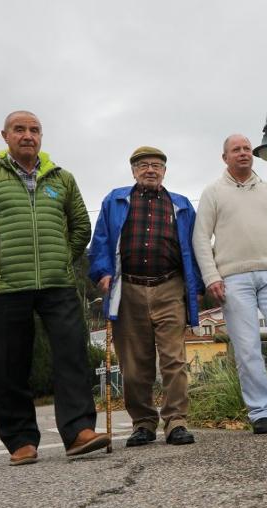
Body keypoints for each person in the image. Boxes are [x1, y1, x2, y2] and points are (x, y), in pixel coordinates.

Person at [0, 110, 110, 466]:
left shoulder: (62, 179)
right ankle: (20, 440)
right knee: (11, 363)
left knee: (72, 355)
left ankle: (79, 432)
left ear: (42, 137)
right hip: (5, 286)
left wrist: (61, 259)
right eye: (19, 129)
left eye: (34, 130)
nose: (28, 135)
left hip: (58, 283)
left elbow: (81, 228)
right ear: (5, 136)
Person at [192, 134, 267, 434]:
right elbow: (200, 238)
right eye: (236, 150)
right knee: (247, 347)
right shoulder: (213, 192)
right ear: (225, 158)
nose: (244, 153)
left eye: (247, 149)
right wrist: (212, 277)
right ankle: (260, 412)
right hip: (233, 279)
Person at [88, 147, 202, 447]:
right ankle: (143, 423)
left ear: (165, 171)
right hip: (129, 290)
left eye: (156, 165)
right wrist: (101, 272)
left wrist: (197, 287)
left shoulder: (182, 205)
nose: (150, 170)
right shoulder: (115, 200)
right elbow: (100, 241)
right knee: (134, 364)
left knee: (173, 359)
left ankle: (176, 421)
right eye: (143, 165)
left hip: (169, 287)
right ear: (133, 171)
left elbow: (195, 247)